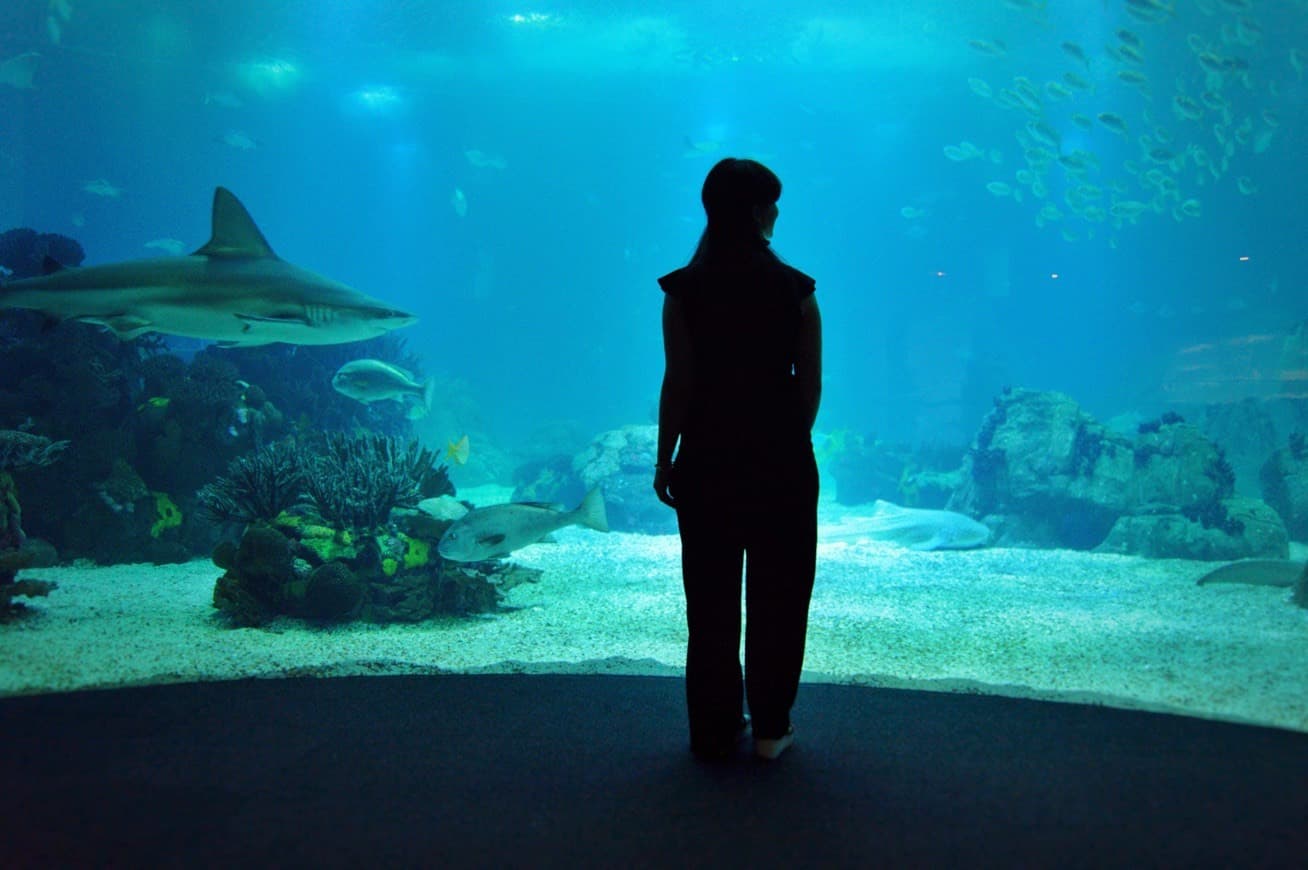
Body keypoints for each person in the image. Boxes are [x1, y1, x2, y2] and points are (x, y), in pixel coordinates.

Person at [654, 158, 822, 762]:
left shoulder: (683, 292)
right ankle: (772, 728)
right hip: (781, 465)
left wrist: (664, 459)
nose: (776, 212)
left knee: (712, 602)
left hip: (706, 466)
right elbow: (809, 387)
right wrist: (782, 445)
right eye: (771, 203)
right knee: (780, 596)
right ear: (755, 211)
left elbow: (679, 382)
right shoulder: (798, 292)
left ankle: (714, 728)